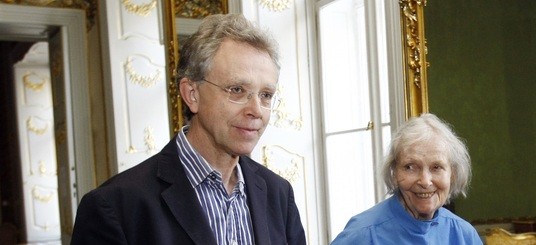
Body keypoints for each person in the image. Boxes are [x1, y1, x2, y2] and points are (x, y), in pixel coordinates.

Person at [71, 13, 306, 245]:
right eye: (237, 90)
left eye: (266, 95)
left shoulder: (278, 194)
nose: (256, 110)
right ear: (192, 94)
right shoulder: (115, 206)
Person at [331, 113, 482, 244]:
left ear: (452, 174)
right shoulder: (362, 235)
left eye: (436, 167)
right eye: (410, 167)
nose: (425, 181)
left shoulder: (465, 236)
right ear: (394, 173)